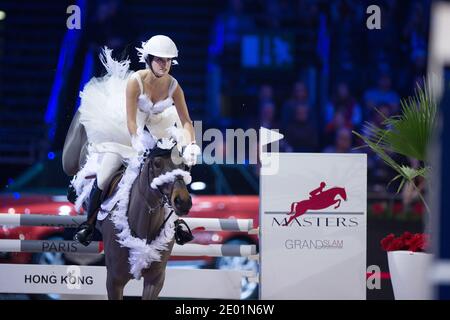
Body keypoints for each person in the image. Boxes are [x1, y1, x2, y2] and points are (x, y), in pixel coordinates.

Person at [70, 35, 201, 245]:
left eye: (168, 60)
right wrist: (137, 140)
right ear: (149, 60)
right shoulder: (135, 81)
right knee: (105, 175)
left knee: (172, 175)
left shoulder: (174, 86)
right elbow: (131, 120)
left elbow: (186, 121)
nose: (164, 64)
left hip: (159, 132)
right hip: (129, 132)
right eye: (159, 59)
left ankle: (176, 225)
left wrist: (191, 145)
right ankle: (89, 224)